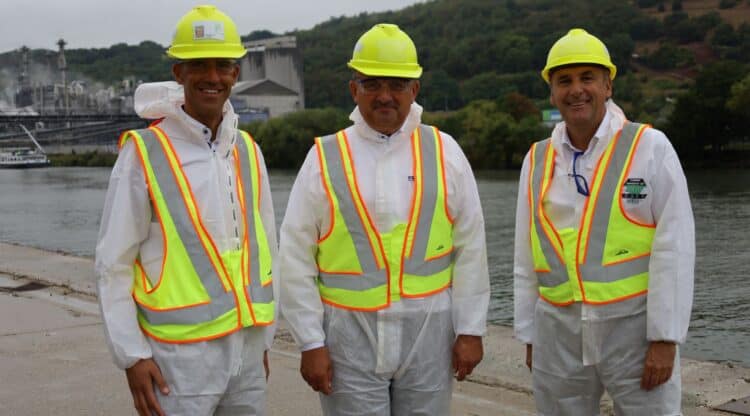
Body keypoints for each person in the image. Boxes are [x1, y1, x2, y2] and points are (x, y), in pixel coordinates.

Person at [278, 23, 490, 415]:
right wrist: (310, 342)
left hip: (429, 333)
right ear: (353, 89)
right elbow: (294, 256)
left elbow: (471, 247)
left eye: (397, 84)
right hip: (348, 337)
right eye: (372, 84)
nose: (385, 96)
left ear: (415, 89)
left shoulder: (445, 152)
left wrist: (471, 329)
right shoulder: (325, 157)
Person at [95, 5, 278, 416]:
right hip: (176, 360)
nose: (212, 76)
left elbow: (267, 249)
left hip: (245, 352)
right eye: (199, 65)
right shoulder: (145, 153)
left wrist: (261, 341)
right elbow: (113, 263)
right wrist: (131, 355)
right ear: (179, 73)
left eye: (223, 65)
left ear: (236, 73)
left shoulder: (248, 151)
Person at [513, 28, 695, 415]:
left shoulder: (650, 148)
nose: (576, 90)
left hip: (633, 331)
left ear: (608, 85)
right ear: (552, 92)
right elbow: (526, 256)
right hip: (558, 334)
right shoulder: (538, 159)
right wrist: (530, 335)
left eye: (587, 78)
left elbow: (674, 247)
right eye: (564, 81)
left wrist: (665, 339)